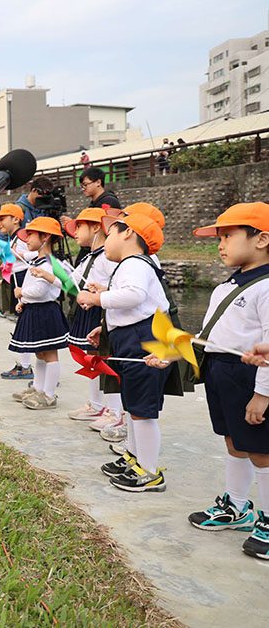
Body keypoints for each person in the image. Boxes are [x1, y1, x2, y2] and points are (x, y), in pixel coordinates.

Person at [184, 203, 269, 559]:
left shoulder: (265, 288)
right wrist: (174, 354)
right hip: (221, 371)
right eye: (218, 237)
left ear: (262, 239)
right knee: (233, 440)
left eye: (229, 235)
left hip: (250, 375)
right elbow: (208, 334)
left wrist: (262, 393)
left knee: (262, 450)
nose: (220, 244)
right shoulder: (227, 286)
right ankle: (237, 506)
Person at [81, 212, 171, 492]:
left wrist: (96, 298)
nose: (105, 240)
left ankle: (150, 472)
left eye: (110, 234)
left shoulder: (135, 263)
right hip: (131, 337)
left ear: (128, 234)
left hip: (143, 339)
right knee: (133, 406)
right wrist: (105, 320)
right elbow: (132, 300)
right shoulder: (131, 266)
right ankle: (135, 458)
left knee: (142, 410)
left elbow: (134, 296)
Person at [62, 208, 119, 425]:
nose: (74, 232)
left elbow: (116, 285)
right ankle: (96, 404)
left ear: (96, 227)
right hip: (88, 309)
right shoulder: (88, 257)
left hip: (101, 310)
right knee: (92, 359)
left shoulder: (107, 256)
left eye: (79, 226)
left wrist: (99, 293)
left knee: (106, 359)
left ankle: (115, 411)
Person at [6, 218, 69, 410]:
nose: (27, 239)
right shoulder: (37, 260)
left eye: (31, 235)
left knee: (50, 353)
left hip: (45, 312)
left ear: (46, 237)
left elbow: (40, 291)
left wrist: (22, 294)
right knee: (39, 353)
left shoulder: (49, 264)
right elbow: (31, 284)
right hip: (34, 310)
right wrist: (23, 301)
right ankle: (37, 387)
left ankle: (49, 394)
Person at [0, 204, 35, 378]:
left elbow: (36, 255)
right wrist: (1, 279)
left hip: (24, 281)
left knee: (25, 322)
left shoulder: (22, 237)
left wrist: (14, 255)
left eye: (2, 219)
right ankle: (23, 364)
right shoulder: (12, 239)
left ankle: (26, 366)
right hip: (16, 279)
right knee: (20, 321)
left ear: (16, 219)